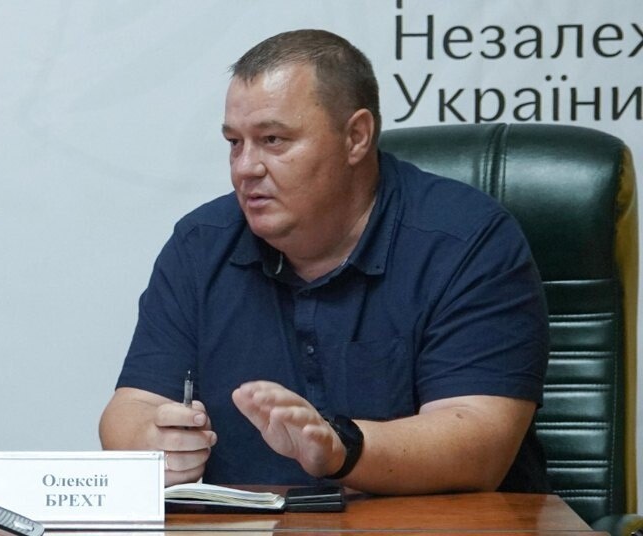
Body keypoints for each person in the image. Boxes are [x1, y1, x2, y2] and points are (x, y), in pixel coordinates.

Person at [99, 29, 550, 495]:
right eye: (235, 142)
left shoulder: (466, 241)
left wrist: (341, 449)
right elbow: (132, 404)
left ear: (356, 137)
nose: (245, 167)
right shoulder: (200, 244)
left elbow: (480, 443)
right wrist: (152, 444)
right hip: (246, 526)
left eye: (273, 139)